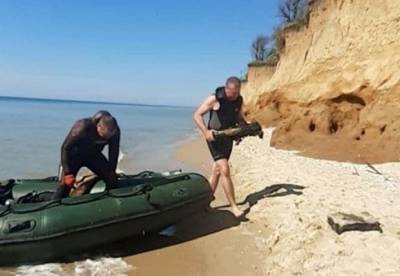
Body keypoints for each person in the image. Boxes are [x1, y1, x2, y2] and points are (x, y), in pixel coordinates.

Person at [193, 76, 246, 218]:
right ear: (226, 88)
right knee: (224, 169)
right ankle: (234, 207)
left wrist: (241, 132)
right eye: (232, 93)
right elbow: (197, 115)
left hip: (227, 138)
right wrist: (205, 132)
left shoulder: (239, 100)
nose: (234, 96)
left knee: (216, 171)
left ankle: (204, 203)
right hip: (214, 138)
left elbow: (239, 118)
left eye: (237, 92)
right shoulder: (214, 99)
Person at [52, 110, 121, 199]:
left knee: (112, 180)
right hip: (74, 156)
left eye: (109, 137)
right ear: (98, 126)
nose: (106, 138)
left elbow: (113, 152)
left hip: (93, 156)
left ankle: (106, 202)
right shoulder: (82, 127)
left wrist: (112, 171)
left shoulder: (115, 133)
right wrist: (68, 173)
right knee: (64, 186)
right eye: (104, 136)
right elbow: (65, 148)